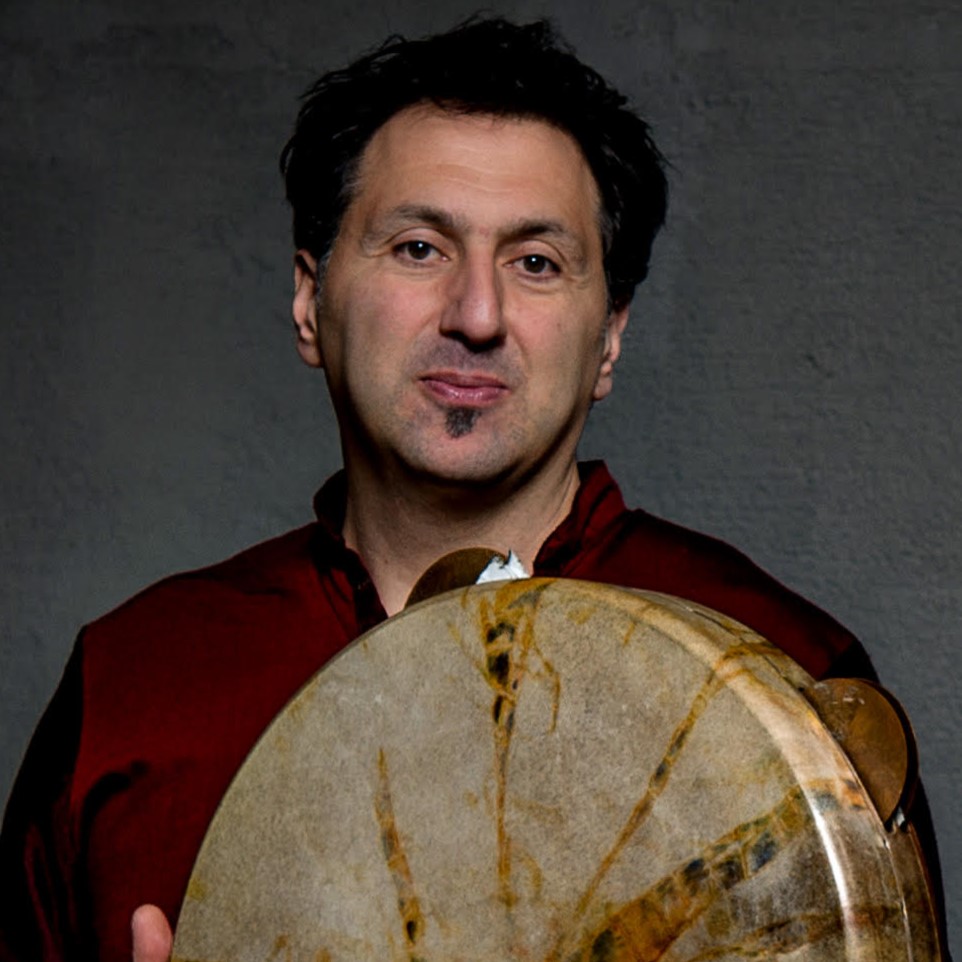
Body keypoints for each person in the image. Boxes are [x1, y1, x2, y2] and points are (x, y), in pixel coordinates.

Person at [0, 16, 947, 962]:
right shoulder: (135, 682)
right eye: (420, 248)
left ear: (609, 337)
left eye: (536, 263)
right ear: (309, 302)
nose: (478, 314)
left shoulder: (785, 676)